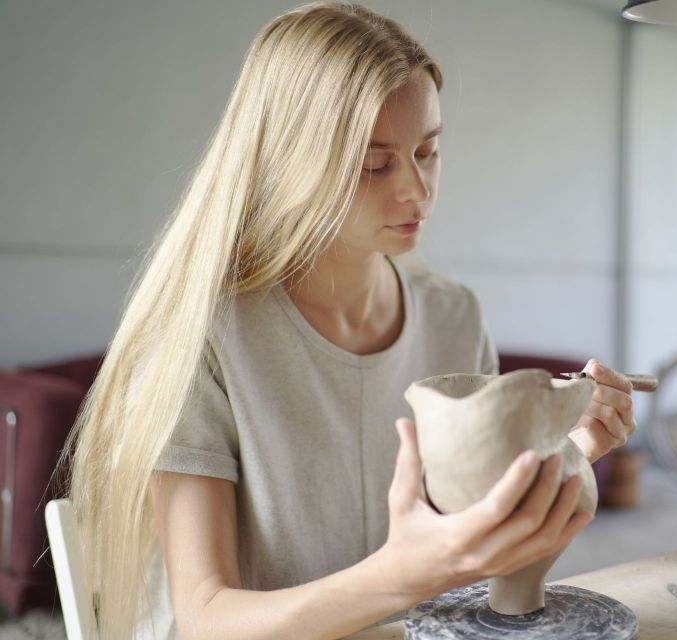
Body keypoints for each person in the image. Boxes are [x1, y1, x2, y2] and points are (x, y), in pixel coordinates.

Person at [61, 3, 638, 639]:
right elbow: (205, 621)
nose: (417, 191)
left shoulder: (454, 315)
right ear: (288, 161)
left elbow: (474, 550)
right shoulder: (200, 338)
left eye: (429, 150)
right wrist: (403, 575)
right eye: (375, 164)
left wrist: (570, 454)